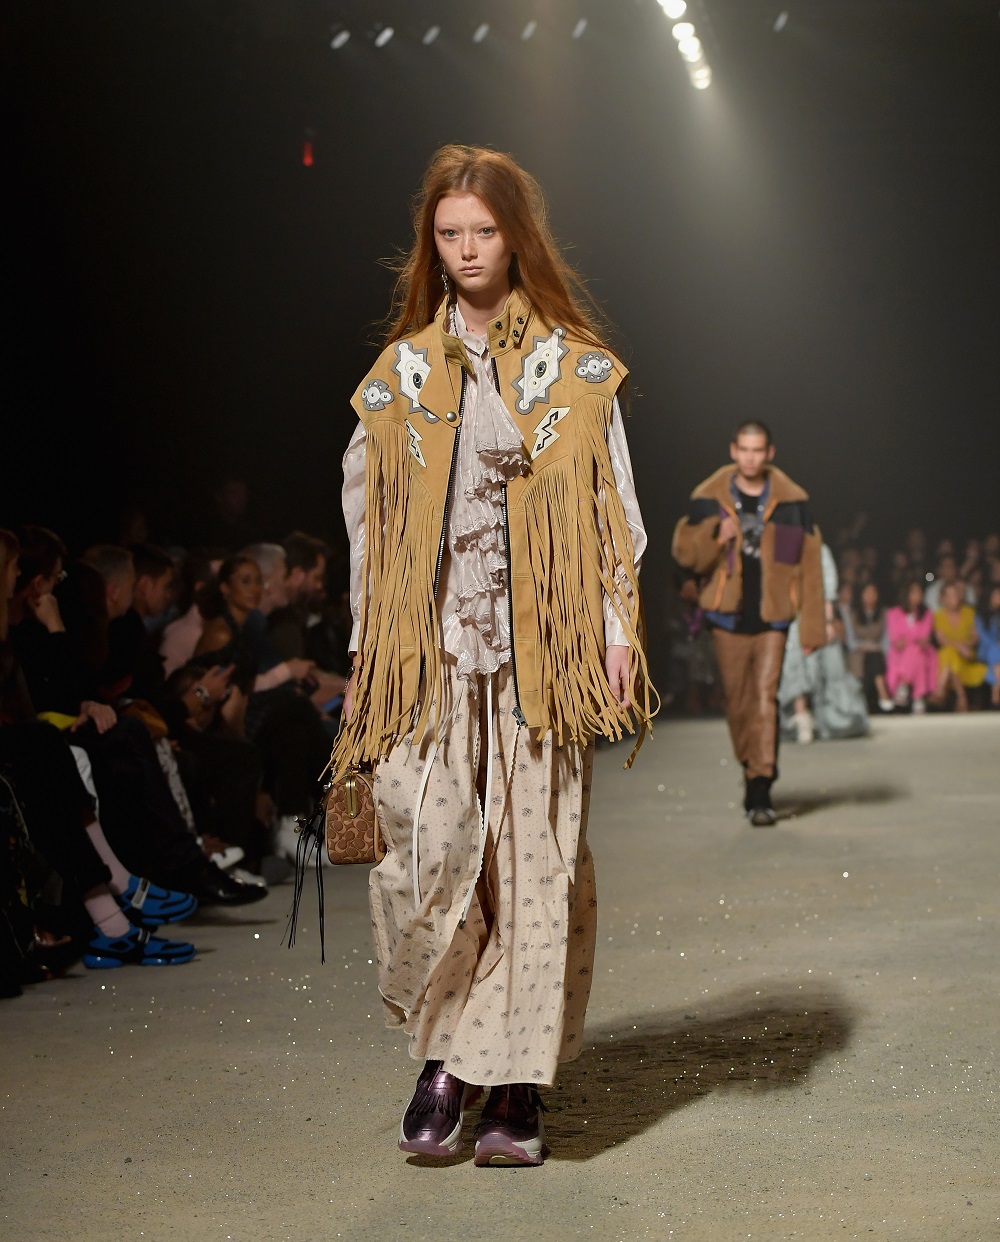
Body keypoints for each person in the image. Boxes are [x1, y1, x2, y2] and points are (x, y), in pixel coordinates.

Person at [335, 144, 654, 1167]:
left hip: (542, 659)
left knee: (535, 868)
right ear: (430, 245)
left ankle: (503, 1085)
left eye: (482, 231)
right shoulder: (401, 377)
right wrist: (364, 654)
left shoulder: (572, 366)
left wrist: (613, 631)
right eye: (448, 234)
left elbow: (616, 515)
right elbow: (366, 526)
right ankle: (457, 1057)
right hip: (430, 657)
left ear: (515, 236)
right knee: (430, 857)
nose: (466, 250)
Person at [672, 420, 825, 825]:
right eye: (745, 449)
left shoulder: (793, 502)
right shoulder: (707, 499)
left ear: (769, 453)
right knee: (738, 701)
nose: (752, 457)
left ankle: (761, 787)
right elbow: (686, 557)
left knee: (763, 697)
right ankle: (750, 763)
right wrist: (713, 536)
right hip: (726, 615)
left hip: (774, 617)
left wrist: (812, 628)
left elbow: (809, 568)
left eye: (759, 450)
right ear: (734, 450)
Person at [779, 544, 868, 742]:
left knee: (826, 667)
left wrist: (828, 621)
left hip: (815, 614)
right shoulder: (780, 542)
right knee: (794, 660)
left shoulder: (818, 547)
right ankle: (801, 716)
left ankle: (822, 718)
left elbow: (828, 589)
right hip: (790, 615)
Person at [933, 581, 987, 711]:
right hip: (951, 657)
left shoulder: (969, 612)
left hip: (967, 656)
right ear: (943, 598)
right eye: (950, 595)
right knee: (949, 653)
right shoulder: (938, 616)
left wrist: (963, 647)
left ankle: (940, 691)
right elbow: (942, 641)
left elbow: (975, 637)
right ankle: (962, 697)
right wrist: (959, 647)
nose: (954, 598)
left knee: (949, 655)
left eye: (956, 594)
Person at [885, 580, 937, 713]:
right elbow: (896, 639)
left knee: (916, 650)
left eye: (920, 592)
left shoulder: (927, 613)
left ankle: (903, 685)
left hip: (923, 651)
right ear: (906, 594)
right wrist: (910, 641)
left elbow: (924, 638)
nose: (918, 595)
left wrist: (909, 641)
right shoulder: (893, 613)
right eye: (914, 592)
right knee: (915, 651)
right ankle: (918, 697)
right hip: (899, 654)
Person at [842, 582, 893, 712]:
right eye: (867, 593)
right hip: (857, 652)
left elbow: (886, 639)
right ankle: (882, 693)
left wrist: (878, 648)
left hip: (878, 652)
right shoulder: (852, 613)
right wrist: (867, 646)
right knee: (868, 659)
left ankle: (880, 694)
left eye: (873, 593)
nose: (870, 596)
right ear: (861, 595)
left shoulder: (883, 613)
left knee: (875, 657)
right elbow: (850, 640)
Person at [976, 584, 1000, 708]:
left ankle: (995, 688)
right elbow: (983, 638)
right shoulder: (981, 615)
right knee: (995, 650)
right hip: (986, 650)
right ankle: (996, 689)